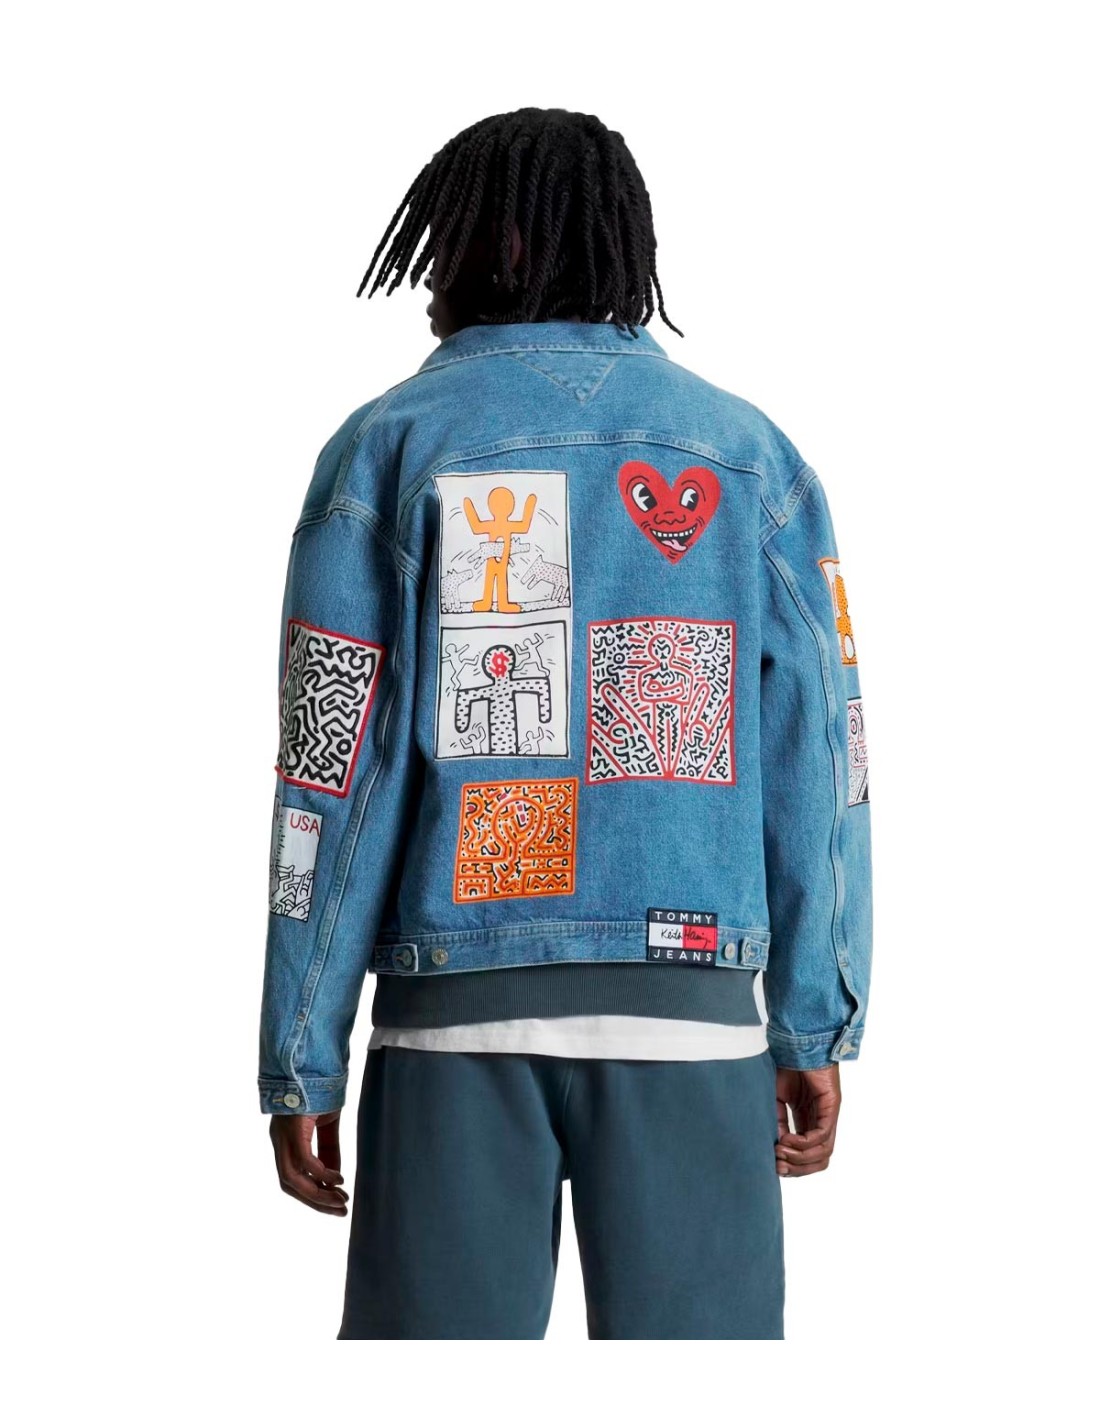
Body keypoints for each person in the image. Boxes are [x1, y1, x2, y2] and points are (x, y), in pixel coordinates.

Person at [259, 107, 873, 1340]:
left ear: (479, 249)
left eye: (440, 245)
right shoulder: (749, 458)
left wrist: (301, 1043)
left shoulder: (383, 451)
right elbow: (823, 758)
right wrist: (816, 1015)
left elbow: (328, 769)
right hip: (692, 1016)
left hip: (451, 1022)